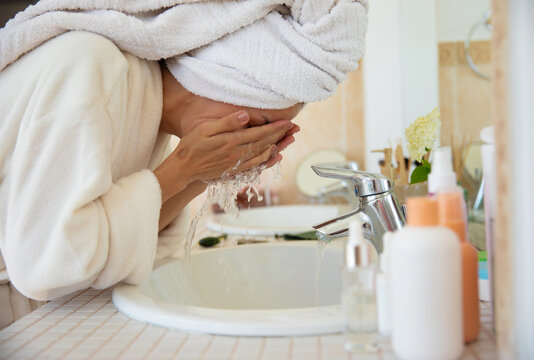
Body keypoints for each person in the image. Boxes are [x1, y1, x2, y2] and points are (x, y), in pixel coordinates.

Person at [0, 0, 368, 328]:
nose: (259, 143)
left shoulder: (145, 104)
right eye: (256, 127)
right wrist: (185, 166)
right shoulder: (92, 65)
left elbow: (118, 239)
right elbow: (48, 264)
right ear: (222, 82)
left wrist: (201, 174)